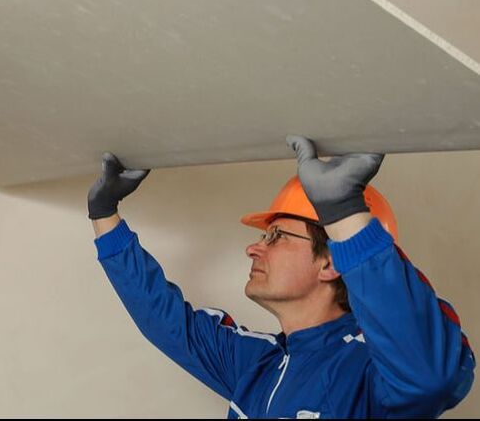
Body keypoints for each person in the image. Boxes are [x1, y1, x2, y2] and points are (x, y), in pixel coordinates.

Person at [88, 135, 475, 418]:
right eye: (262, 236)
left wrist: (344, 212)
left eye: (276, 236)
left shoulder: (367, 371)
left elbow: (430, 377)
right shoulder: (257, 364)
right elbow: (166, 322)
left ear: (330, 264)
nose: (254, 248)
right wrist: (104, 213)